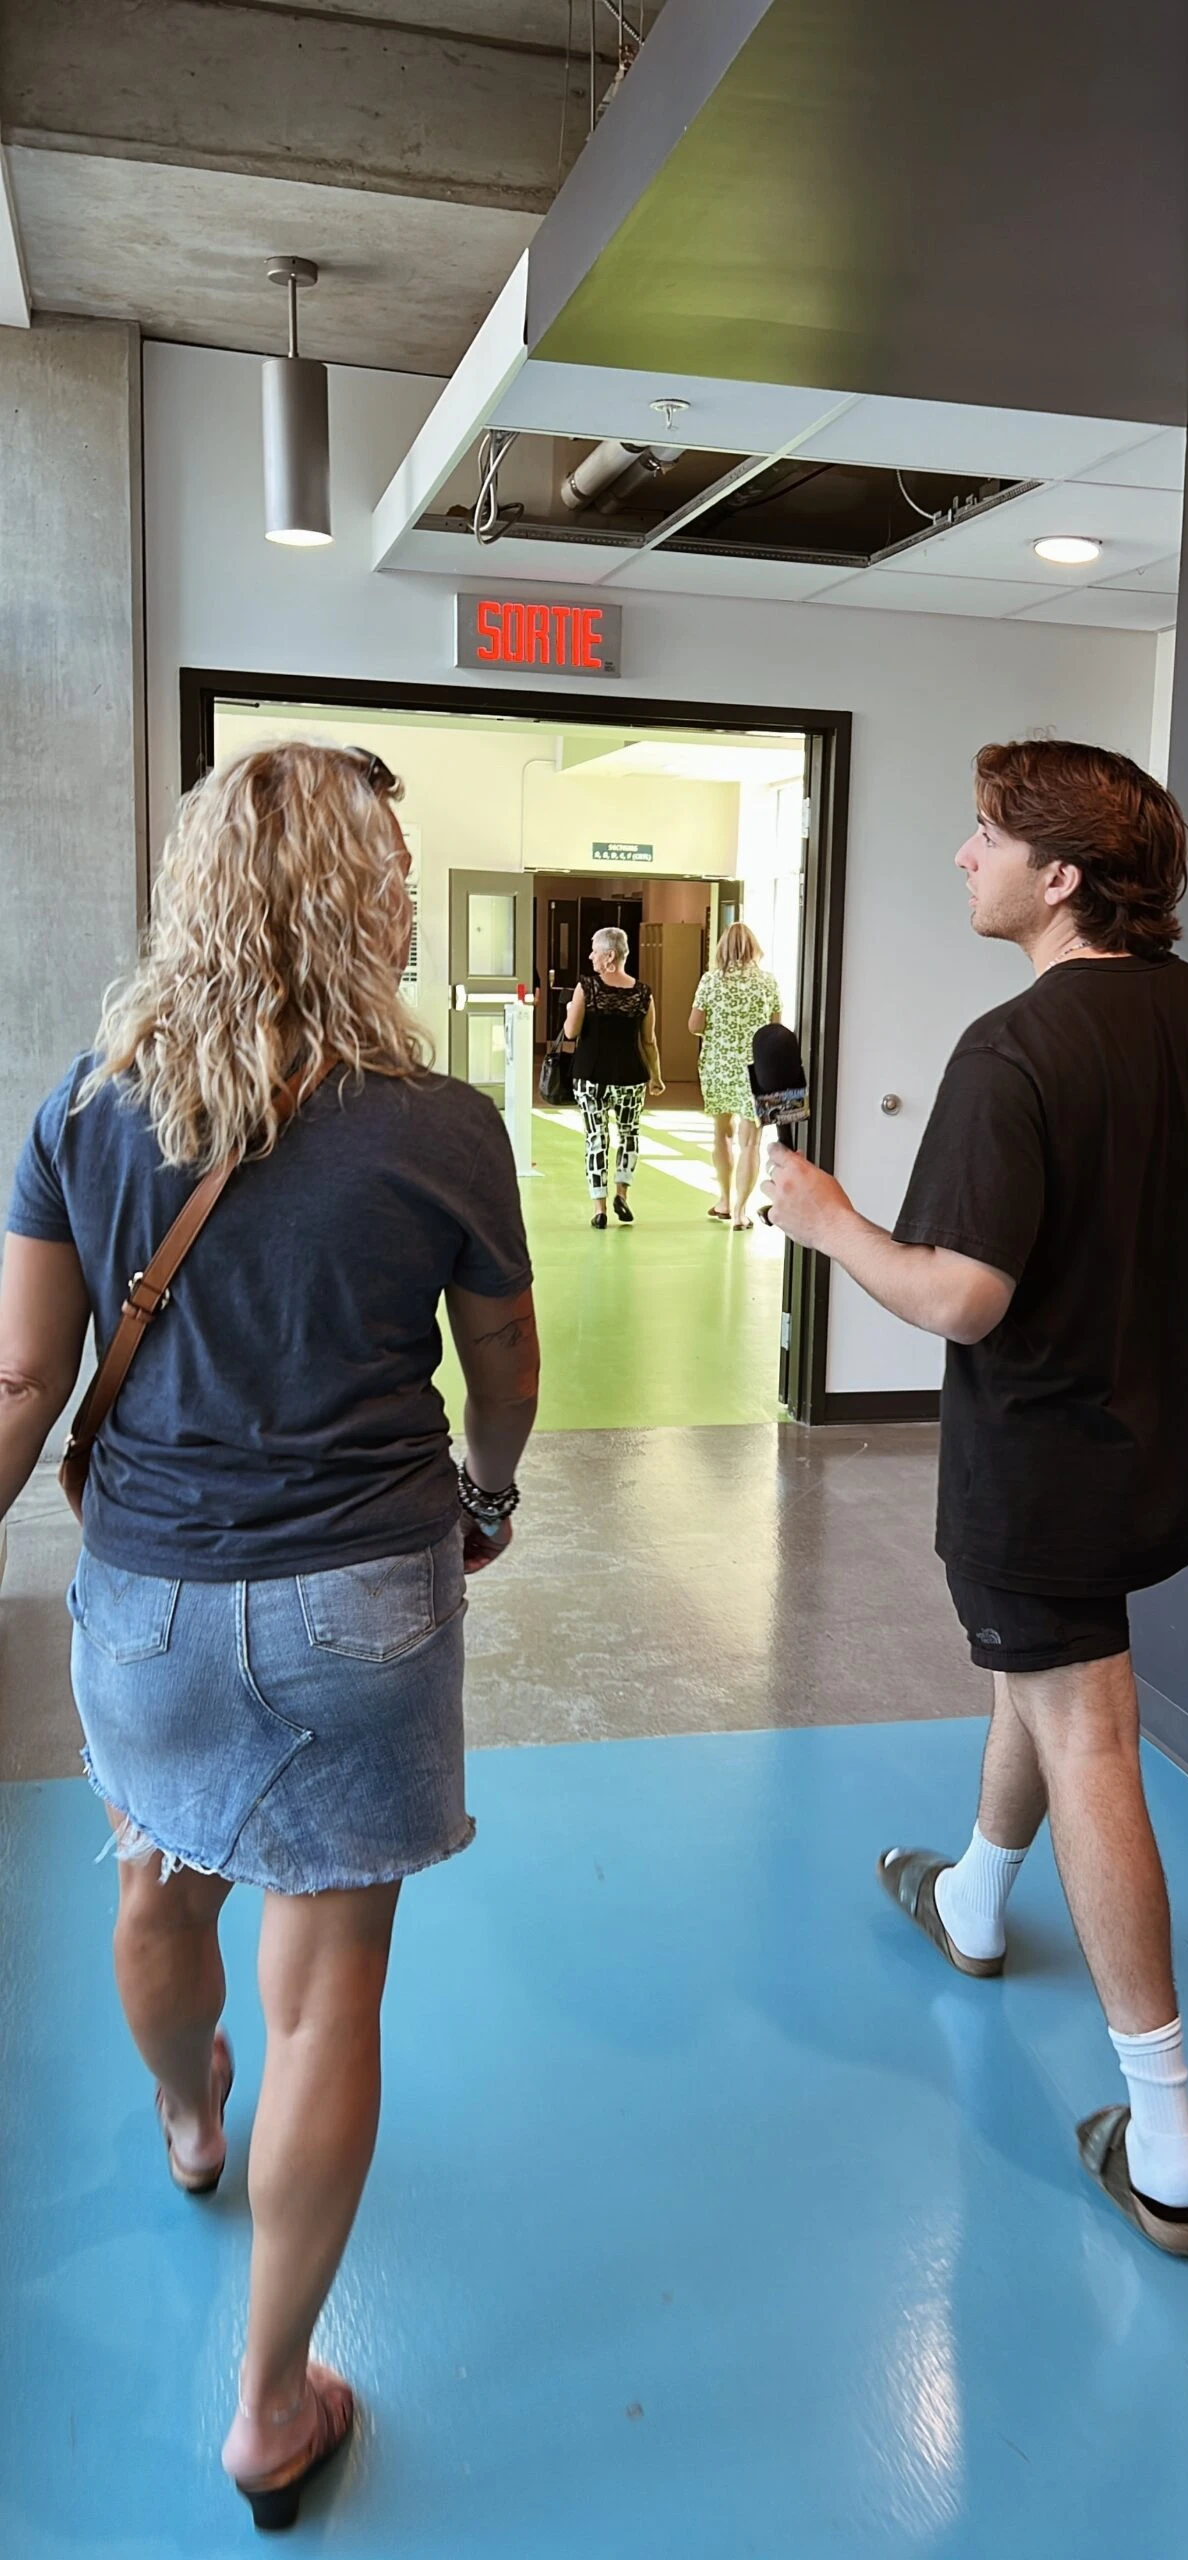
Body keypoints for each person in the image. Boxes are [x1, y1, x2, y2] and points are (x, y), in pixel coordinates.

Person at [0, 741, 539, 2526]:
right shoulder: (442, 1122)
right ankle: (267, 2404)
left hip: (145, 1598)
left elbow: (22, 1380)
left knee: (154, 1882)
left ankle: (187, 2122)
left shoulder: (89, 1103)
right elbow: (508, 1371)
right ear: (360, 892)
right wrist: (491, 1490)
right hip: (366, 1598)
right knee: (328, 2002)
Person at [764, 738, 1188, 2260]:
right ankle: (980, 1902)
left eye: (985, 833)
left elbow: (961, 1298)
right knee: (1045, 1677)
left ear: (1060, 877)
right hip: (1167, 1465)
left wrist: (826, 1219)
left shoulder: (1018, 1052)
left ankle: (1170, 2135)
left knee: (1090, 1728)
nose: (962, 855)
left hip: (1048, 1474)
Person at [562, 925, 664, 1228]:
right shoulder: (642, 993)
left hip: (591, 1075)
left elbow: (571, 1031)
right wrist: (656, 1076)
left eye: (594, 949)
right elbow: (649, 1040)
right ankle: (622, 1193)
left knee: (597, 1137)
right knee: (629, 1134)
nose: (590, 955)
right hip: (631, 1075)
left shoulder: (587, 987)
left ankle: (599, 1208)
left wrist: (570, 1008)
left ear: (609, 955)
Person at [688, 922, 782, 1230]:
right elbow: (775, 1027)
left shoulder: (711, 981)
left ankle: (724, 1201)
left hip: (718, 1066)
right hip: (759, 1068)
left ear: (722, 949)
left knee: (722, 1134)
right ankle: (742, 1211)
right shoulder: (768, 982)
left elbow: (694, 1025)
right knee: (751, 1143)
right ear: (754, 948)